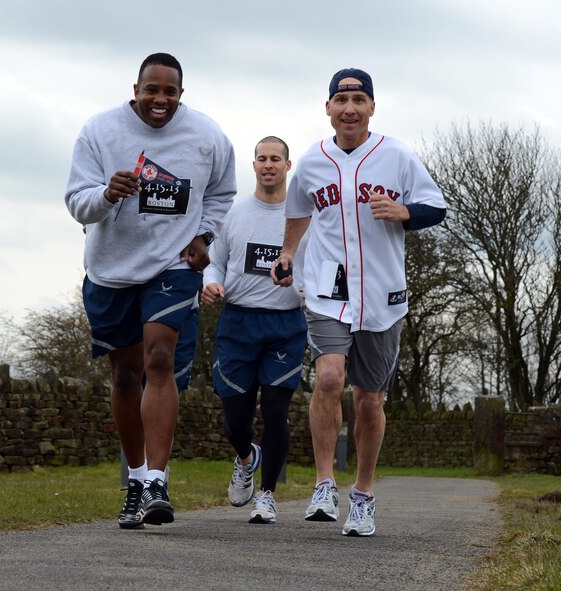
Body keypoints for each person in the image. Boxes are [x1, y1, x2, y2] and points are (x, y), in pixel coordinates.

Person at [272, 68, 446, 536]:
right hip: (330, 288)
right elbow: (297, 214)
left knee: (369, 401)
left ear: (372, 107)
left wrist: (406, 211)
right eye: (341, 98)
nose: (349, 107)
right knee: (329, 375)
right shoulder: (311, 162)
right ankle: (324, 483)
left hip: (383, 295)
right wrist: (288, 253)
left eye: (359, 98)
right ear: (327, 107)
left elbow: (437, 206)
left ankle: (363, 494)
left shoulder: (397, 156)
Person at [65, 53, 236, 529]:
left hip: (173, 264)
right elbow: (76, 202)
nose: (160, 100)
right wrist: (105, 194)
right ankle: (136, 480)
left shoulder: (207, 136)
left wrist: (204, 236)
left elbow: (223, 194)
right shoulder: (99, 131)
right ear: (135, 88)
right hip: (112, 269)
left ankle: (158, 482)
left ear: (182, 93)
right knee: (125, 375)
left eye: (170, 92)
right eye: (151, 90)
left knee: (159, 359)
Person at [202, 136, 307, 525]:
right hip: (238, 321)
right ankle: (246, 457)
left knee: (276, 411)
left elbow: (318, 265)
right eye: (262, 158)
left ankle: (267, 496)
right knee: (236, 420)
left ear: (287, 165)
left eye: (275, 159)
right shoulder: (235, 213)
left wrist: (305, 287)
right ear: (254, 165)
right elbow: (215, 262)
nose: (268, 165)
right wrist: (209, 283)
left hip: (285, 325)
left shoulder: (302, 216)